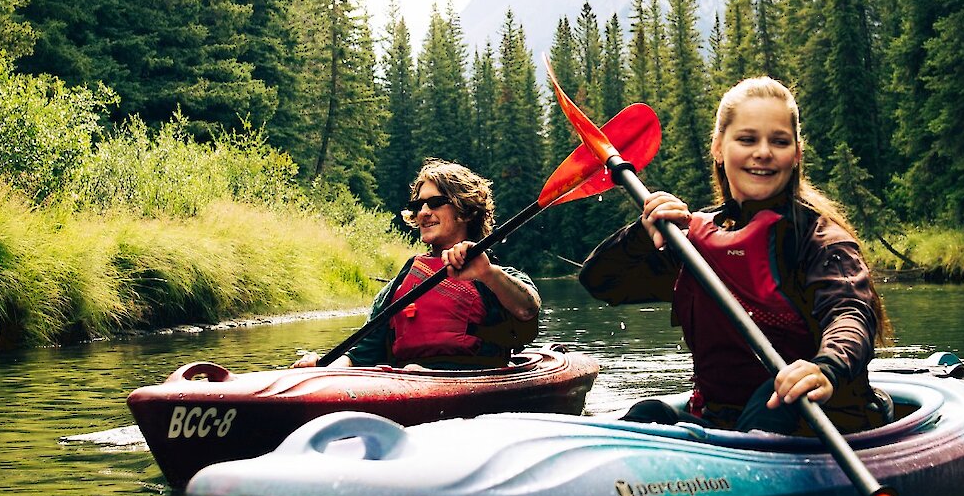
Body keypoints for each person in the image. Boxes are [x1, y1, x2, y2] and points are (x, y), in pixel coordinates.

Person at [579, 76, 892, 435]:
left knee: (771, 401)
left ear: (797, 154)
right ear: (718, 147)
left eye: (779, 141)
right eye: (747, 139)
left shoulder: (818, 238)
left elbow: (850, 314)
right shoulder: (694, 242)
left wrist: (825, 367)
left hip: (816, 415)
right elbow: (601, 283)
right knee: (647, 412)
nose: (763, 152)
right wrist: (642, 233)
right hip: (725, 420)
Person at [295, 160, 541, 369]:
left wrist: (487, 274)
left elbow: (527, 312)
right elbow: (361, 354)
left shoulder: (496, 278)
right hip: (407, 383)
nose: (423, 212)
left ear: (466, 212)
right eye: (418, 205)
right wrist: (322, 370)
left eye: (435, 203)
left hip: (470, 382)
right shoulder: (399, 286)